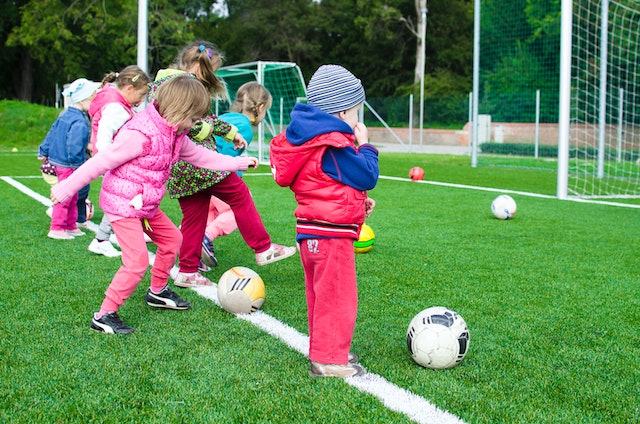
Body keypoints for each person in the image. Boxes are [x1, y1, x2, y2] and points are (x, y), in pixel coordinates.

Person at [50, 75, 259, 334]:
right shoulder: (140, 135)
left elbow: (200, 157)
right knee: (137, 261)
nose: (195, 125)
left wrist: (236, 163)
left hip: (145, 205)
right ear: (179, 111)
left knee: (173, 240)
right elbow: (100, 162)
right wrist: (66, 188)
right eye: (194, 119)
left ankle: (157, 292)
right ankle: (104, 314)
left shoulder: (175, 133)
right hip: (123, 205)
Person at [150, 41, 295, 289]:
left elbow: (206, 118)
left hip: (181, 169)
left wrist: (230, 134)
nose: (212, 77)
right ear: (199, 66)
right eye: (211, 70)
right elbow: (189, 123)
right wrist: (209, 131)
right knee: (239, 194)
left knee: (195, 217)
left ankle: (187, 270)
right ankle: (263, 248)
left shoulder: (168, 82)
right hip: (199, 163)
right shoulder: (181, 85)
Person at [270, 65, 379, 378]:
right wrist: (366, 145)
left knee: (321, 297)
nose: (358, 120)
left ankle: (327, 348)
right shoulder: (332, 144)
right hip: (331, 237)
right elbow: (367, 173)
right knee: (337, 297)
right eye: (357, 111)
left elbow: (325, 184)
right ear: (342, 111)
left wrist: (358, 203)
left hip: (312, 232)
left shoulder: (309, 141)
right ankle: (329, 360)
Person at [201, 81, 274, 269]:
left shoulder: (227, 117)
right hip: (215, 176)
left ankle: (193, 253)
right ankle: (206, 237)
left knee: (207, 214)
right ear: (260, 107)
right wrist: (240, 164)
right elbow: (224, 154)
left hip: (199, 174)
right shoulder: (245, 127)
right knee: (237, 209)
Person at [86, 65, 151, 258]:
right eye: (141, 95)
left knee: (127, 198)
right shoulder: (116, 108)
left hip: (115, 161)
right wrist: (110, 161)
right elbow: (104, 138)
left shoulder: (117, 103)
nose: (141, 102)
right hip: (115, 162)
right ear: (129, 89)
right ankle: (101, 239)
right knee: (122, 200)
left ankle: (112, 236)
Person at [38, 78, 99, 240]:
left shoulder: (65, 114)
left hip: (61, 161)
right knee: (66, 195)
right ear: (84, 99)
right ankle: (57, 227)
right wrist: (78, 165)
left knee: (73, 195)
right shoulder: (79, 120)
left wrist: (43, 150)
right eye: (93, 99)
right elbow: (74, 145)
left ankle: (70, 225)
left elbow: (51, 132)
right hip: (69, 164)